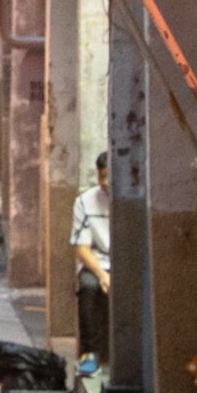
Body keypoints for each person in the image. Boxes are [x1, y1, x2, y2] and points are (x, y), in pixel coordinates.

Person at [72, 150, 113, 375]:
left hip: (125, 262)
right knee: (88, 286)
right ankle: (89, 353)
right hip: (97, 262)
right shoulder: (85, 202)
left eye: (109, 176)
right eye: (101, 176)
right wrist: (102, 274)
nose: (105, 182)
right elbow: (82, 248)